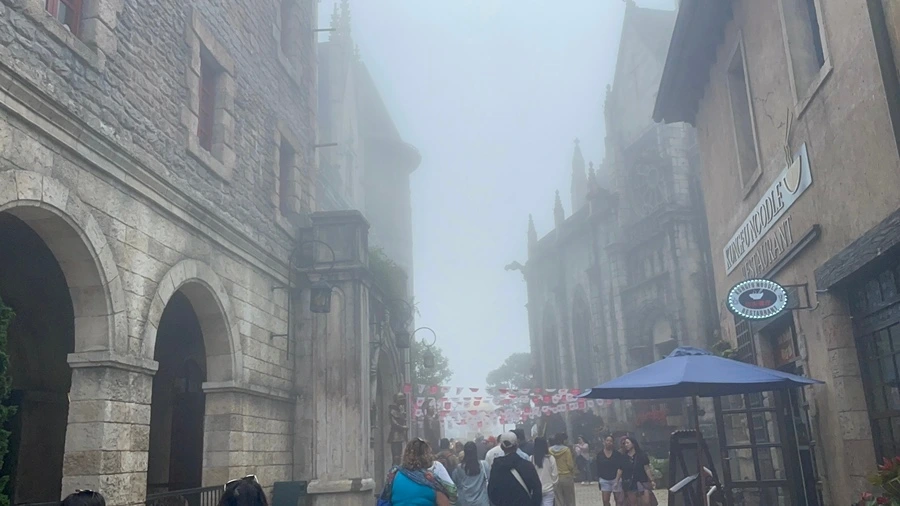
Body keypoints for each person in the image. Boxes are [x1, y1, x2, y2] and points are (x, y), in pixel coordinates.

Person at [380, 438, 458, 506]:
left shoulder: (394, 475)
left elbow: (384, 498)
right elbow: (446, 502)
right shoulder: (430, 480)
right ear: (426, 455)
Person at [487, 432, 542, 506]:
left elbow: (491, 492)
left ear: (502, 447)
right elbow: (537, 489)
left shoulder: (496, 467)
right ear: (517, 445)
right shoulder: (527, 465)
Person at [452, 442, 491, 506]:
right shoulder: (484, 465)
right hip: (482, 502)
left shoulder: (459, 468)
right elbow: (489, 480)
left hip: (466, 502)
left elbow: (456, 483)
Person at [593, 434, 626, 506]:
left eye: (611, 441)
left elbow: (620, 467)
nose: (609, 442)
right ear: (604, 442)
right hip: (604, 480)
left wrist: (617, 480)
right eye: (607, 440)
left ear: (613, 443)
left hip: (616, 479)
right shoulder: (600, 454)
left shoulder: (617, 454)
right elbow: (598, 467)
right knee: (605, 500)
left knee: (619, 501)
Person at [621, 436, 655, 506]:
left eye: (628, 443)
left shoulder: (642, 455)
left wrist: (652, 480)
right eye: (625, 443)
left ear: (633, 444)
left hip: (642, 481)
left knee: (646, 502)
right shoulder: (624, 457)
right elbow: (620, 469)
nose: (626, 445)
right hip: (629, 482)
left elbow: (647, 468)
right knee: (633, 503)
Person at [529, 436, 558, 506]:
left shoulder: (531, 459)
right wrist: (553, 486)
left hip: (535, 490)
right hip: (548, 489)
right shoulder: (550, 458)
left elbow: (529, 475)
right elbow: (555, 475)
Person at [549, 433, 577, 506]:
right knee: (569, 499)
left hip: (555, 477)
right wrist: (573, 472)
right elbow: (570, 465)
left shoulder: (550, 450)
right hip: (566, 476)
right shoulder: (566, 450)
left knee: (558, 499)